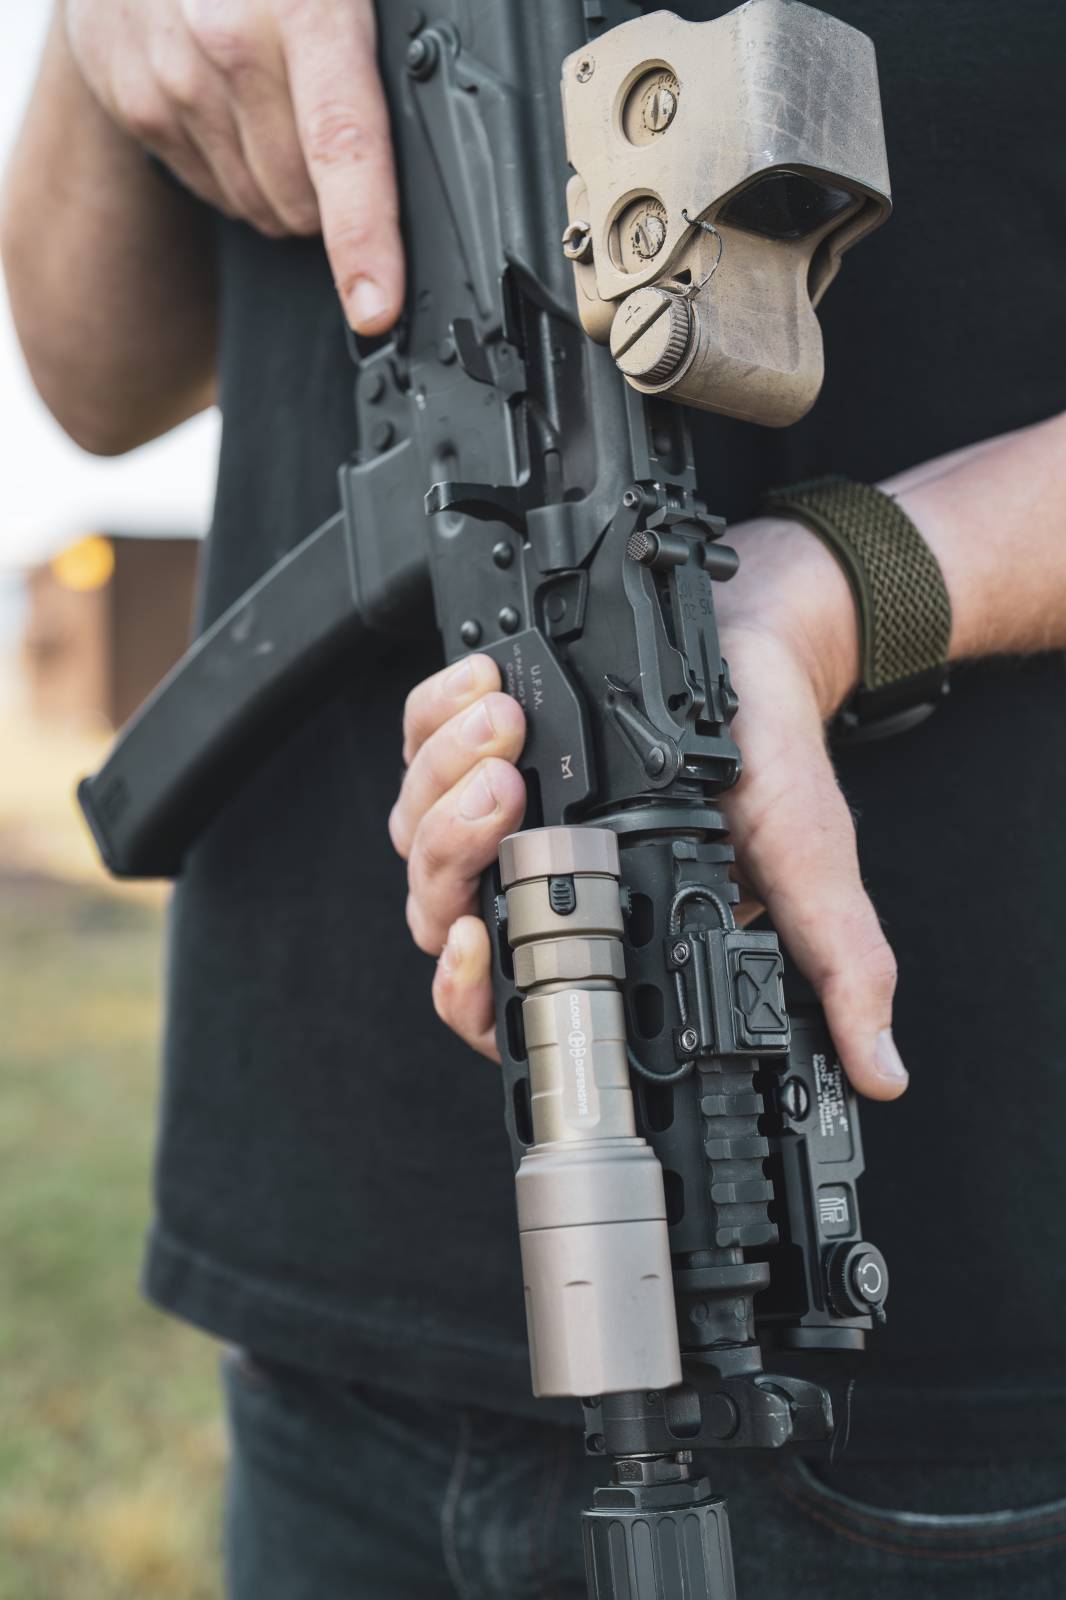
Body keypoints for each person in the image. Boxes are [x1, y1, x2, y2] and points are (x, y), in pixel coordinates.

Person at [4, 1, 1066, 1595]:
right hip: (335, 1283)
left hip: (934, 1359)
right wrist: (99, 41)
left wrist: (857, 587)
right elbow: (93, 374)